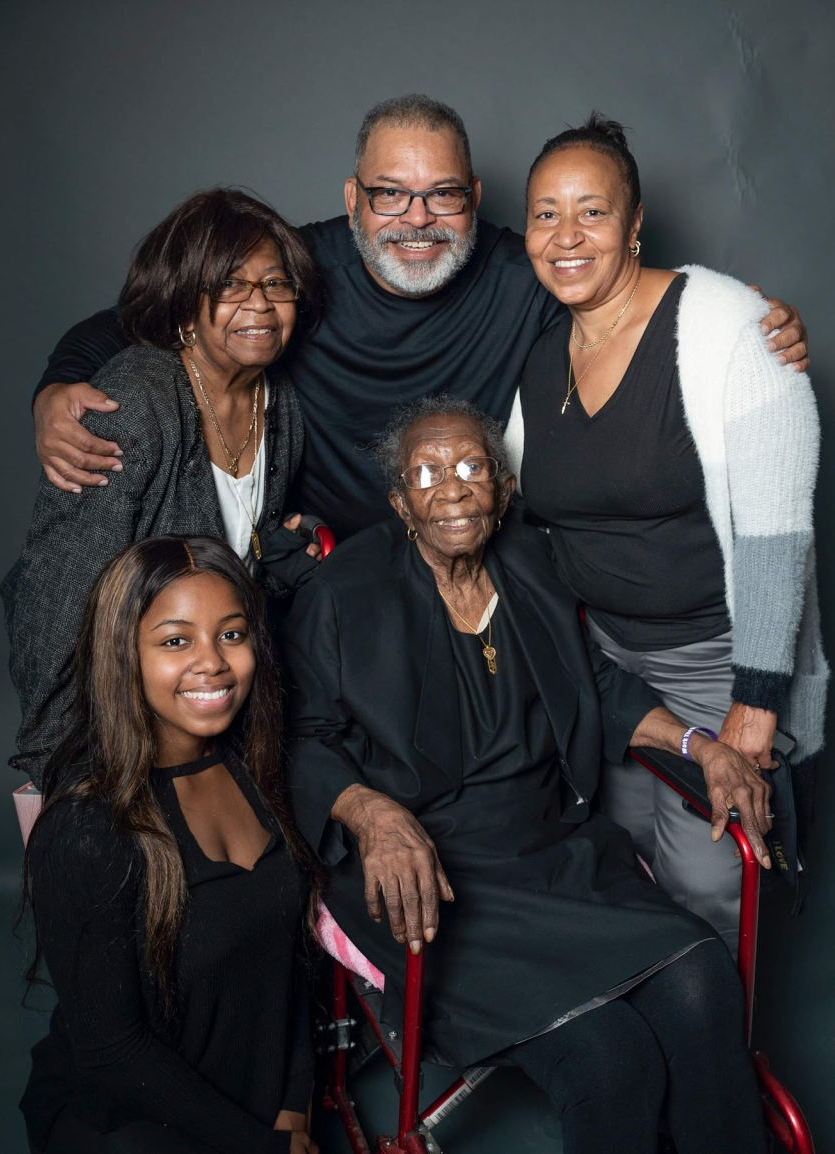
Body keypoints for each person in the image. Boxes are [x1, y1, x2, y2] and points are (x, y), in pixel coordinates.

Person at [284, 398, 769, 1153]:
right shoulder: (342, 593)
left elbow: (597, 683)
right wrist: (371, 814)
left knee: (703, 984)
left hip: (558, 852)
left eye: (472, 467)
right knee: (609, 1059)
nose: (452, 487)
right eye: (427, 473)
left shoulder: (532, 565)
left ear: (503, 490)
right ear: (401, 504)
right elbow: (303, 736)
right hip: (432, 873)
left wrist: (700, 745)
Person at [27, 95, 808, 540]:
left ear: (473, 196)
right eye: (390, 194)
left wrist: (743, 325)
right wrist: (57, 388)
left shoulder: (529, 271)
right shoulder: (293, 269)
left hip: (482, 550)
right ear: (352, 199)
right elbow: (135, 318)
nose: (417, 218)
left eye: (442, 194)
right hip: (325, 564)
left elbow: (632, 297)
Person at [504, 114, 826, 949]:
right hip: (608, 665)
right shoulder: (541, 357)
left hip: (716, 662)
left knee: (707, 888)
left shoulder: (728, 327)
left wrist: (756, 702)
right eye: (545, 214)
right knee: (623, 869)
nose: (566, 236)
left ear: (635, 221)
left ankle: (712, 1034)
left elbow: (777, 533)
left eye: (593, 212)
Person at [1, 188, 323, 786]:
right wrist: (61, 774)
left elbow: (227, 565)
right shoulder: (134, 406)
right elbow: (52, 610)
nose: (259, 303)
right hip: (117, 728)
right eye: (230, 285)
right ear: (183, 301)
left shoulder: (278, 403)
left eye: (276, 284)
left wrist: (283, 560)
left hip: (210, 708)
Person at [20, 535, 319, 1154]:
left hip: (257, 1114)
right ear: (123, 653)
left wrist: (295, 1104)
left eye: (231, 634)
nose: (212, 662)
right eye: (176, 641)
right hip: (129, 1129)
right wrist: (260, 1147)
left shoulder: (257, 773)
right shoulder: (88, 826)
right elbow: (112, 1051)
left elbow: (287, 962)